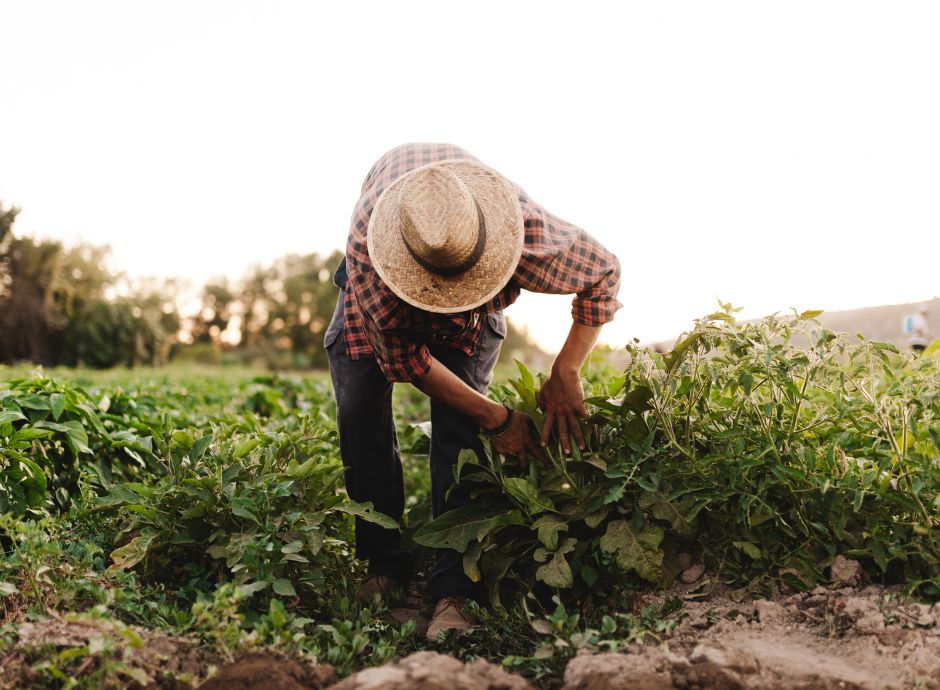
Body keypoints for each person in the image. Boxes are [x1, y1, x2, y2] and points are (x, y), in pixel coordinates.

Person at [324, 143, 621, 640]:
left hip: (476, 287)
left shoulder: (520, 230)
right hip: (379, 296)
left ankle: (454, 588)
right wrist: (500, 418)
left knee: (460, 434)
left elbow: (604, 274)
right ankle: (384, 560)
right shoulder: (372, 260)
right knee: (359, 412)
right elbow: (408, 362)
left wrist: (567, 370)